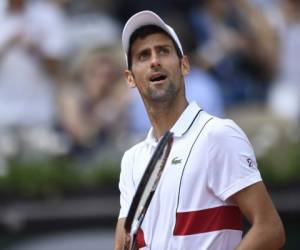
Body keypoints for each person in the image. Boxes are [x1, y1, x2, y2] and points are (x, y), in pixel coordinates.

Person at [114, 10, 285, 250]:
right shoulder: (131, 160)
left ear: (184, 65)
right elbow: (123, 243)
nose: (154, 61)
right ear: (130, 78)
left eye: (163, 51)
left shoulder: (218, 135)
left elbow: (269, 229)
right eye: (143, 56)